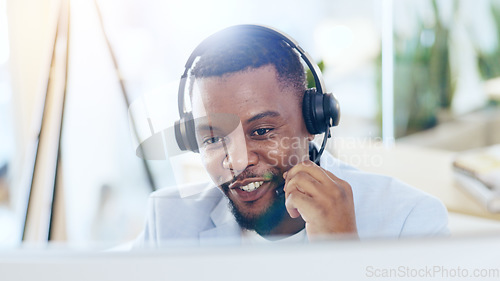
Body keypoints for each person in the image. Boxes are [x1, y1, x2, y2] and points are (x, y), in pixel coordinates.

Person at [134, 25, 448, 247]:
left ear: (314, 121)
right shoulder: (168, 221)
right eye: (213, 139)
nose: (236, 161)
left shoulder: (410, 221)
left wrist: (343, 252)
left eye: (261, 131)